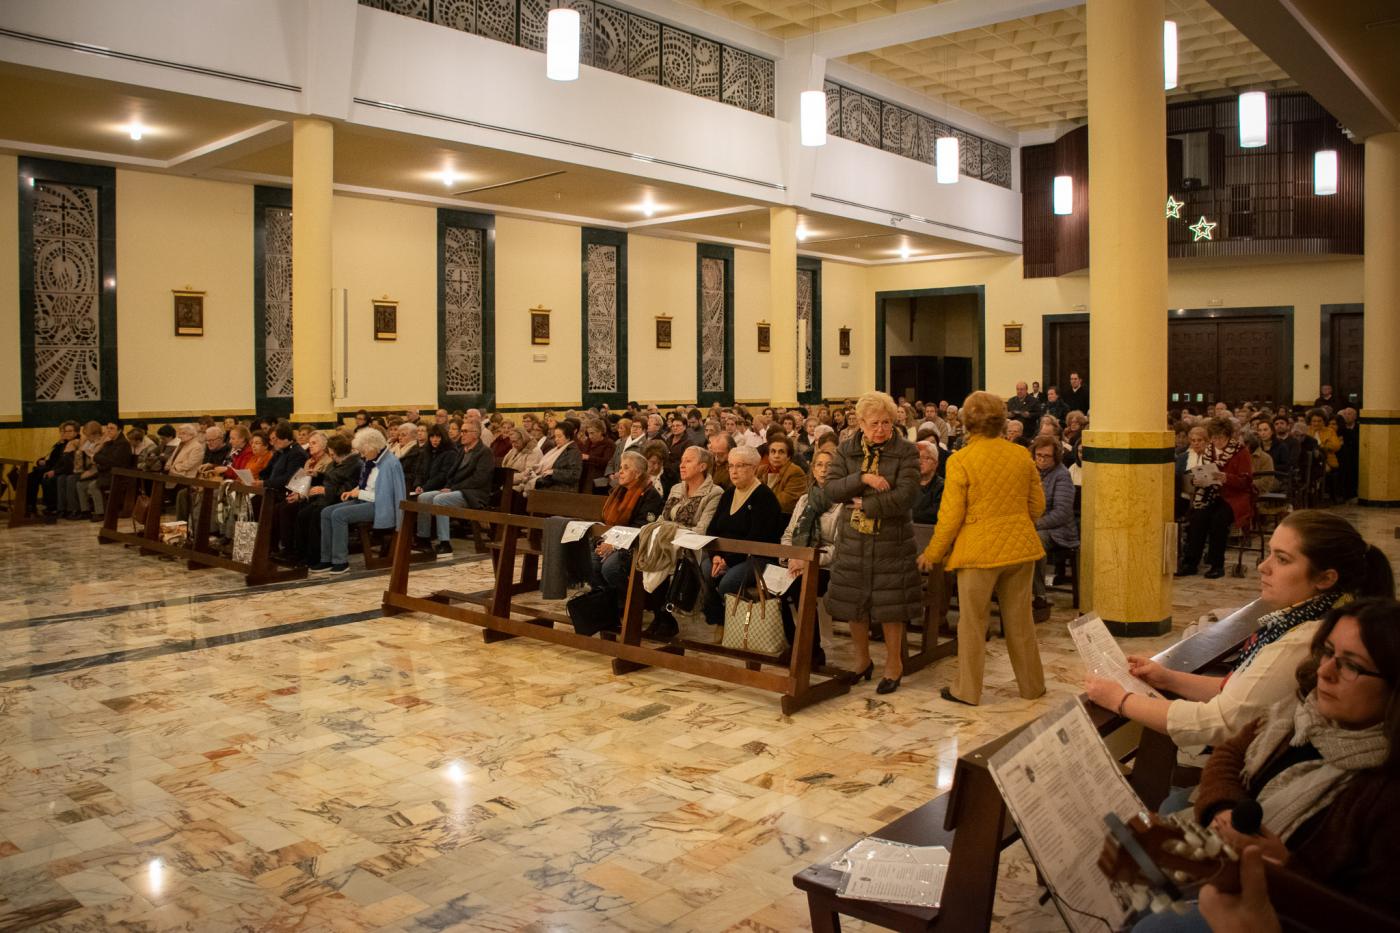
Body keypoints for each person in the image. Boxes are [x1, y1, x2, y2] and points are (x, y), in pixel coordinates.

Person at [1086, 510, 1395, 812]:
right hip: (1255, 764)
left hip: (1263, 783)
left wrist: (1120, 700)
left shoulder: (1308, 638)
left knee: (1170, 808)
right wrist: (1167, 678)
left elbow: (1220, 721)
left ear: (1326, 578)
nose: (1263, 566)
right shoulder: (1313, 617)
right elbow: (1242, 692)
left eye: (1282, 559)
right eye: (1270, 553)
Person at [1131, 599, 1400, 933]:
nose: (1325, 672)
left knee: (1158, 924)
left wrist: (1285, 868)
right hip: (1236, 863)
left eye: (1351, 666)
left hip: (1281, 911)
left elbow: (1367, 915)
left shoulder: (1385, 793)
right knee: (1143, 877)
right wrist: (1224, 809)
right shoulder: (1300, 711)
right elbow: (1230, 754)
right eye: (1328, 652)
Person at [919, 391, 1046, 706]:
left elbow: (949, 519)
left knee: (973, 623)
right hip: (1021, 548)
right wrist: (1012, 521)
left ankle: (968, 690)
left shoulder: (961, 460)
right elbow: (1038, 507)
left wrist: (932, 554)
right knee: (1021, 621)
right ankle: (1032, 687)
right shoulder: (1021, 454)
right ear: (1002, 421)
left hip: (978, 551)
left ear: (966, 424)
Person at [826, 391, 924, 695]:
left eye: (885, 422)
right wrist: (864, 479)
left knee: (890, 607)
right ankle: (862, 661)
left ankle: (893, 665)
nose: (880, 429)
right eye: (874, 424)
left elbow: (907, 495)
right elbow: (831, 489)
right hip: (854, 541)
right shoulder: (846, 450)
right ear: (861, 425)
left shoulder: (906, 451)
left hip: (891, 542)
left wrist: (867, 505)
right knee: (856, 604)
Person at [642, 446, 725, 640]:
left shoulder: (714, 492)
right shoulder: (676, 488)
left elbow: (702, 528)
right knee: (650, 554)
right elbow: (662, 519)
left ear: (702, 466)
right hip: (668, 543)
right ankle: (660, 615)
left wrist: (671, 532)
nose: (682, 465)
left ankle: (666, 616)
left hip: (692, 547)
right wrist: (667, 532)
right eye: (682, 460)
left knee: (663, 556)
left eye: (688, 461)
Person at [701, 445, 785, 636]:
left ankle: (740, 628)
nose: (734, 471)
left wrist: (727, 561)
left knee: (728, 582)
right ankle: (720, 620)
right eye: (731, 466)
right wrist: (716, 556)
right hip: (725, 555)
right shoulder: (729, 493)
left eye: (740, 466)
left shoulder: (764, 497)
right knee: (705, 570)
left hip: (757, 557)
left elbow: (757, 538)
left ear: (754, 468)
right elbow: (712, 529)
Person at [778, 446, 842, 666]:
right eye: (819, 465)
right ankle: (795, 643)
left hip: (826, 567)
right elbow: (788, 533)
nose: (824, 470)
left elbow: (838, 547)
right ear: (813, 469)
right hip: (797, 561)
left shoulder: (842, 504)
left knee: (799, 588)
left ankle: (810, 651)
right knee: (771, 588)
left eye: (829, 465)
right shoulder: (805, 500)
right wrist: (792, 557)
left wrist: (807, 560)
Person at [313, 427, 406, 574]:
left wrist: (359, 493)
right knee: (326, 512)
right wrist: (353, 491)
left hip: (379, 506)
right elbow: (366, 483)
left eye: (363, 451)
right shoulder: (372, 460)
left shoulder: (389, 464)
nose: (361, 455)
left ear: (373, 447)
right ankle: (326, 559)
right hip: (365, 499)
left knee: (339, 515)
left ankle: (340, 561)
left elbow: (384, 497)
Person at [587, 450, 665, 623]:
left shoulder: (650, 495)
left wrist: (613, 544)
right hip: (610, 541)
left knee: (610, 568)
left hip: (635, 547)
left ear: (637, 473)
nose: (620, 472)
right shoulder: (618, 492)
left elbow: (640, 528)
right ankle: (608, 605)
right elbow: (605, 520)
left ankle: (629, 604)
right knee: (590, 563)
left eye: (626, 468)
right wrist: (603, 541)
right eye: (620, 467)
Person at [1177, 417, 1253, 579]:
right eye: (1214, 437)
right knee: (1197, 518)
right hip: (1209, 494)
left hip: (1232, 497)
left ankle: (1216, 564)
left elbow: (1246, 481)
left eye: (1221, 438)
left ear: (1228, 436)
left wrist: (1227, 478)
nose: (1217, 441)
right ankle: (1191, 563)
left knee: (1218, 520)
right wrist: (1196, 480)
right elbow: (1199, 473)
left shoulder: (1240, 451)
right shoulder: (1208, 450)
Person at [288, 434, 361, 564]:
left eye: (332, 453)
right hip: (326, 498)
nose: (331, 456)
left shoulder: (355, 465)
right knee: (302, 514)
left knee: (315, 515)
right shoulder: (337, 462)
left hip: (338, 500)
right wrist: (317, 475)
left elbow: (348, 489)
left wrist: (325, 490)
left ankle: (314, 556)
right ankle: (300, 552)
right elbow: (329, 478)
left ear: (340, 452)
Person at [1030, 435, 1077, 621]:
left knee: (1035, 541)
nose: (1041, 459)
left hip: (1059, 530)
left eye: (1046, 456)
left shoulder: (1062, 475)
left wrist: (1035, 524)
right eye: (1038, 455)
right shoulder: (1031, 471)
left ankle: (1039, 595)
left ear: (1055, 457)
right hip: (1034, 524)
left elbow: (1062, 513)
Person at [759, 434, 807, 514]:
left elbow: (784, 503)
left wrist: (757, 503)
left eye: (781, 452)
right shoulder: (761, 470)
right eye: (773, 451)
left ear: (788, 456)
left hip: (783, 518)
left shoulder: (796, 472)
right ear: (769, 455)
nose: (776, 456)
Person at [529, 420, 582, 491]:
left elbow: (575, 475)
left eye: (559, 436)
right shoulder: (556, 449)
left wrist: (553, 472)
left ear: (568, 437)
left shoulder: (573, 452)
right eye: (555, 436)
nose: (556, 439)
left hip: (564, 489)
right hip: (552, 484)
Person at [410, 424, 460, 498]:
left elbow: (443, 476)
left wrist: (425, 487)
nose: (434, 440)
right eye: (432, 437)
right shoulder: (426, 452)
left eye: (438, 437)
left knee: (423, 497)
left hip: (441, 488)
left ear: (443, 438)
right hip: (425, 487)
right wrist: (418, 485)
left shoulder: (451, 453)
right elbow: (419, 472)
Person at [911, 440, 943, 525]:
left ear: (936, 463)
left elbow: (934, 514)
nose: (920, 462)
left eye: (926, 458)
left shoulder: (943, 487)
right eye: (917, 457)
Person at [502, 428, 541, 492]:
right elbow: (504, 464)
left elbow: (528, 474)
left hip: (522, 488)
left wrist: (507, 479)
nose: (513, 444)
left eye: (515, 441)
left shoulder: (534, 451)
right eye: (511, 442)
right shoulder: (515, 448)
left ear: (523, 439)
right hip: (508, 483)